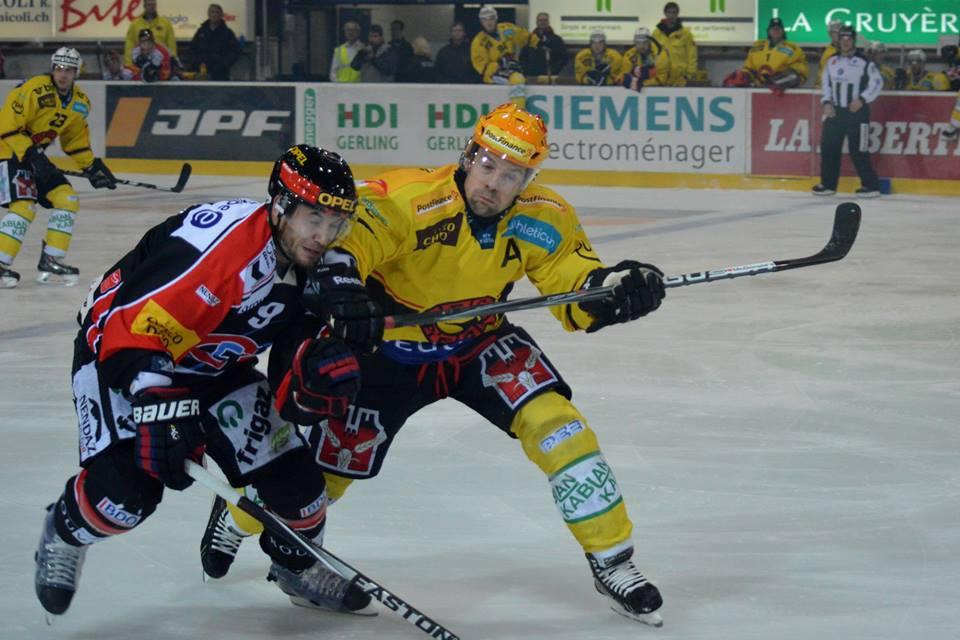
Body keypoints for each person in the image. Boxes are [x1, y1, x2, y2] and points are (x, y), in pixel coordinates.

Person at [200, 103, 668, 626]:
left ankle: (613, 561)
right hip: (389, 353)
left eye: (512, 175)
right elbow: (348, 243)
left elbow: (574, 282)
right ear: (469, 155)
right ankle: (239, 516)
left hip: (478, 343)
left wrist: (613, 291)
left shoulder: (544, 216)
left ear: (527, 180)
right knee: (322, 479)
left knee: (561, 429)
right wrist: (344, 291)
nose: (494, 183)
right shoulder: (410, 197)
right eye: (488, 165)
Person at [32, 145, 374, 619]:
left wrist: (312, 373)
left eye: (335, 223)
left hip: (214, 367)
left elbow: (287, 360)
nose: (324, 235)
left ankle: (296, 569)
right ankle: (64, 530)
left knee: (299, 487)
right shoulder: (225, 253)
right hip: (123, 356)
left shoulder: (311, 260)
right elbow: (129, 330)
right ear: (280, 206)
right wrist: (158, 404)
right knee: (125, 494)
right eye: (313, 218)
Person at [0, 48, 117, 289]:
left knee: (67, 198)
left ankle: (51, 260)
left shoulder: (80, 103)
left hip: (33, 156)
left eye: (69, 70)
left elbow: (74, 141)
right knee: (24, 206)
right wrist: (32, 154)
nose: (63, 74)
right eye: (59, 68)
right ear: (53, 69)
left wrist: (92, 167)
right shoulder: (33, 89)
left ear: (77, 72)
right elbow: (6, 125)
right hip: (7, 151)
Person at [813, 26, 882, 198]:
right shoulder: (831, 61)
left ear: (854, 40)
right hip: (835, 112)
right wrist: (826, 102)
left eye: (849, 39)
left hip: (857, 112)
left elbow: (877, 83)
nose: (845, 42)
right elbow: (826, 84)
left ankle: (871, 185)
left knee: (859, 149)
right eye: (842, 39)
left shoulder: (864, 62)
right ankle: (828, 184)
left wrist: (863, 99)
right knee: (829, 147)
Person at [724, 18, 807, 93]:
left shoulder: (793, 47)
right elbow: (749, 67)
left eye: (778, 29)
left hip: (782, 87)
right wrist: (745, 75)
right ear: (768, 31)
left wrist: (783, 77)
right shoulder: (757, 46)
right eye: (773, 28)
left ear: (783, 31)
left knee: (792, 76)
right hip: (758, 87)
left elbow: (800, 69)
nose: (776, 31)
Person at [471, 6, 529, 103]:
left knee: (521, 80)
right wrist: (500, 64)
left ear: (496, 18)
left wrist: (537, 42)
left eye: (491, 18)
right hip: (493, 75)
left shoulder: (506, 28)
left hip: (511, 69)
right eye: (485, 19)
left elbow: (525, 37)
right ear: (481, 22)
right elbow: (482, 67)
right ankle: (518, 110)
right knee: (517, 80)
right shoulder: (479, 41)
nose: (489, 22)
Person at [189, 3, 241, 81]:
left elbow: (235, 51)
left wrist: (224, 64)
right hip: (202, 72)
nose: (214, 14)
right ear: (208, 14)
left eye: (217, 12)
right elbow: (192, 48)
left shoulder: (227, 33)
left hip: (220, 73)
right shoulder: (201, 31)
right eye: (212, 12)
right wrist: (196, 62)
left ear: (221, 15)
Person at [652, 2, 697, 85]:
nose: (671, 16)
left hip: (679, 78)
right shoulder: (656, 33)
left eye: (674, 13)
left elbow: (691, 55)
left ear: (677, 14)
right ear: (665, 13)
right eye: (669, 12)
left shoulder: (686, 33)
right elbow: (652, 54)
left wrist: (689, 74)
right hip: (660, 76)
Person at [124, 0, 177, 65]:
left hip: (162, 63)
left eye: (153, 4)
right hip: (140, 63)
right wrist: (129, 64)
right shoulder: (135, 24)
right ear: (144, 6)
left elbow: (172, 46)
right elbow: (129, 47)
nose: (151, 7)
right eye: (149, 5)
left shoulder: (166, 24)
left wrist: (173, 63)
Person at [522, 12, 569, 79]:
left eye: (545, 20)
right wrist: (526, 69)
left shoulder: (557, 39)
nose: (542, 22)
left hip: (550, 75)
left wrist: (554, 69)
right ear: (537, 22)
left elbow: (563, 58)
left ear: (548, 22)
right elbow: (523, 56)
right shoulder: (529, 39)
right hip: (531, 75)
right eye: (540, 20)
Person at [816, 20, 842, 88]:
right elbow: (822, 76)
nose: (838, 35)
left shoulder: (849, 51)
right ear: (830, 34)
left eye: (840, 32)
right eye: (835, 33)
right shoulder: (828, 53)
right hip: (825, 89)